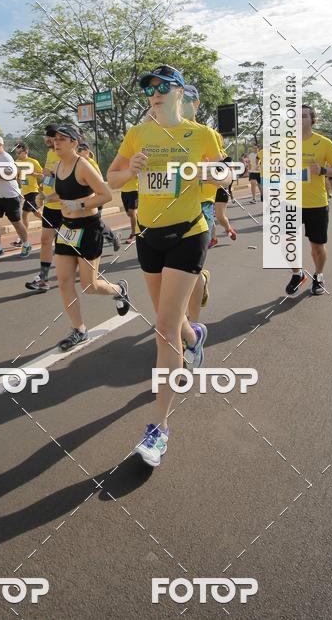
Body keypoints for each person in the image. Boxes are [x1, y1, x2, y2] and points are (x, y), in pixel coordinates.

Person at [108, 65, 230, 467]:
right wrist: (132, 171)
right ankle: (194, 337)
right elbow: (113, 179)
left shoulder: (202, 134)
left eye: (162, 87)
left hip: (188, 232)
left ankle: (158, 429)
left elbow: (225, 173)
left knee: (162, 328)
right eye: (149, 89)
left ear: (179, 92)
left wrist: (207, 171)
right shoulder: (138, 133)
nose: (154, 93)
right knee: (172, 322)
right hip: (149, 235)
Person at [53, 126, 129, 350]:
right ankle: (79, 329)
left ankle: (119, 290)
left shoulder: (83, 166)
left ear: (74, 143)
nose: (56, 143)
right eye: (54, 139)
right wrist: (46, 196)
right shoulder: (58, 165)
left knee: (89, 285)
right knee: (64, 282)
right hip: (67, 229)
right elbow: (63, 192)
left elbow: (106, 194)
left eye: (62, 139)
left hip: (88, 228)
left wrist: (80, 204)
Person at [285, 104, 332, 298]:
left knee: (316, 247)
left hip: (316, 204)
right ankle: (298, 274)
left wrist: (322, 171)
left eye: (304, 116)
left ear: (312, 119)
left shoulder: (324, 143)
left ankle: (318, 275)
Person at [180, 84, 213, 321]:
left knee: (189, 271)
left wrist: (205, 171)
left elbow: (224, 174)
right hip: (168, 209)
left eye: (187, 100)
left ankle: (191, 327)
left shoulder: (207, 134)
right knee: (170, 271)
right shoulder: (162, 132)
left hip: (202, 206)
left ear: (197, 103)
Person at [26, 124, 63, 292]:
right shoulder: (50, 153)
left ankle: (90, 270)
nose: (47, 138)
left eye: (51, 135)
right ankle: (44, 278)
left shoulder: (66, 155)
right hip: (50, 206)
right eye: (45, 135)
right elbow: (49, 176)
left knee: (68, 245)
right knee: (45, 241)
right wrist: (42, 192)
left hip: (67, 208)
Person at [0, 135, 31, 260]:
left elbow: (12, 176)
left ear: (0, 144)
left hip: (10, 196)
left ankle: (26, 244)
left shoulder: (6, 158)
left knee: (16, 222)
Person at [77, 142, 120, 252]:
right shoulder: (80, 163)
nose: (77, 153)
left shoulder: (90, 163)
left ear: (86, 151)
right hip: (87, 198)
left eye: (79, 151)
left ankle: (112, 239)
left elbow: (99, 181)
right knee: (92, 222)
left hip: (96, 198)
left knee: (95, 222)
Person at [11, 142, 43, 245]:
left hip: (33, 191)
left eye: (19, 152)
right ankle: (53, 225)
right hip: (25, 192)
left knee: (24, 215)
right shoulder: (17, 162)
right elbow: (15, 176)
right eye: (16, 153)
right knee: (37, 213)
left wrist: (32, 173)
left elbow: (42, 175)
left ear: (26, 152)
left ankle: (22, 239)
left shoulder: (33, 162)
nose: (18, 155)